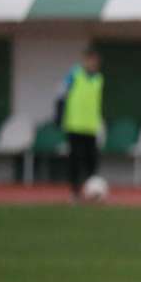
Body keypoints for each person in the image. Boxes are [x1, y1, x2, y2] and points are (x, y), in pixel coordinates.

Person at [58, 46, 103, 200]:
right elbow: (61, 94)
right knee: (75, 160)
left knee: (92, 162)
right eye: (91, 60)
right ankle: (75, 191)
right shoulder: (74, 75)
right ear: (85, 60)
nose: (93, 64)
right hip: (75, 125)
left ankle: (92, 192)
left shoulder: (98, 79)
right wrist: (59, 115)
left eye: (96, 61)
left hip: (91, 126)